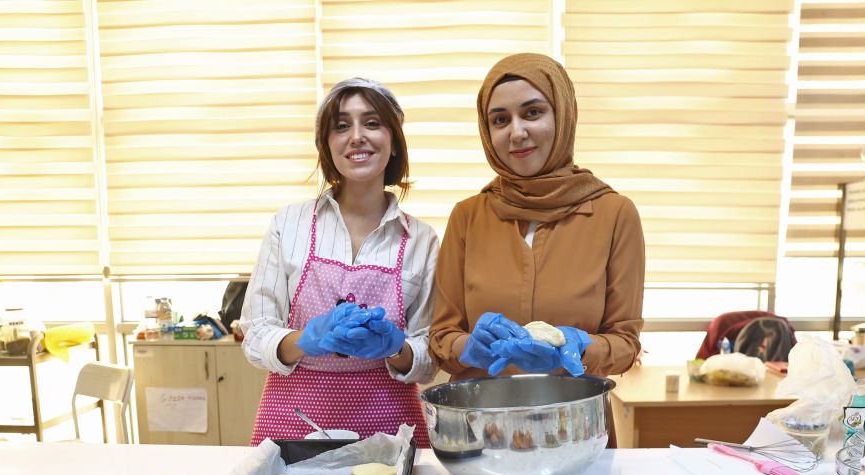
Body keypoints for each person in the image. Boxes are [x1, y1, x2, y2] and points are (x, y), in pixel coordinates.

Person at [241, 78, 439, 447]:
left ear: (394, 141)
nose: (357, 136)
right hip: (292, 423)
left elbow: (429, 356)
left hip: (389, 428)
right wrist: (306, 340)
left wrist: (396, 348)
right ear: (326, 145)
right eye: (342, 126)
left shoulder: (421, 240)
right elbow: (255, 333)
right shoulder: (290, 223)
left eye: (373, 123)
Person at [429, 54, 645, 380]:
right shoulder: (468, 216)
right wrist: (468, 346)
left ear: (563, 115)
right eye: (500, 120)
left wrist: (582, 346)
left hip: (574, 421)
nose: (517, 132)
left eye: (533, 113)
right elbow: (442, 335)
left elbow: (626, 342)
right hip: (481, 422)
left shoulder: (614, 214)